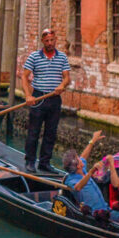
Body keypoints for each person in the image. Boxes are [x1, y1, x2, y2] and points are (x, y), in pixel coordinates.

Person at [21, 27, 72, 172]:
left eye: (52, 40)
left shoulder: (62, 57)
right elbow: (24, 76)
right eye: (47, 41)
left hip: (54, 99)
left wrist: (61, 86)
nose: (50, 43)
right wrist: (28, 96)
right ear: (42, 41)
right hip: (38, 97)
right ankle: (30, 161)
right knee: (34, 132)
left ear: (55, 40)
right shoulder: (34, 57)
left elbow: (67, 77)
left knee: (51, 132)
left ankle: (44, 162)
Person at [61, 131, 106, 212]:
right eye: (78, 158)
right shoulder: (70, 180)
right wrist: (91, 172)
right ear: (78, 166)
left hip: (105, 209)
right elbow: (78, 187)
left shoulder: (82, 169)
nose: (80, 158)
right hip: (95, 215)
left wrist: (92, 141)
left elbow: (84, 156)